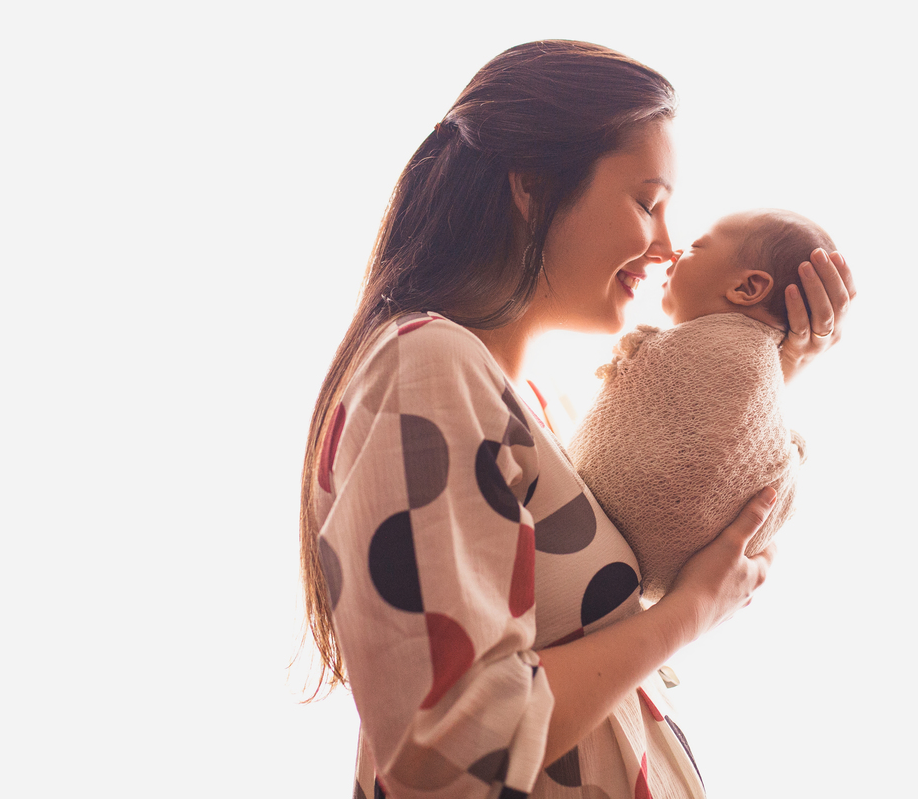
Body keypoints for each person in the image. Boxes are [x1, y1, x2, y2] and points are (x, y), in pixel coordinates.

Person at [298, 41, 855, 799]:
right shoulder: (426, 364)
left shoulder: (523, 402)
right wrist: (690, 612)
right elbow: (449, 746)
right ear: (532, 189)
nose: (668, 246)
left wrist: (766, 360)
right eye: (647, 203)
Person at [569, 209, 837, 602]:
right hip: (660, 579)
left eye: (696, 247)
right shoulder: (748, 365)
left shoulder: (725, 357)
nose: (674, 252)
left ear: (747, 288)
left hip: (604, 549)